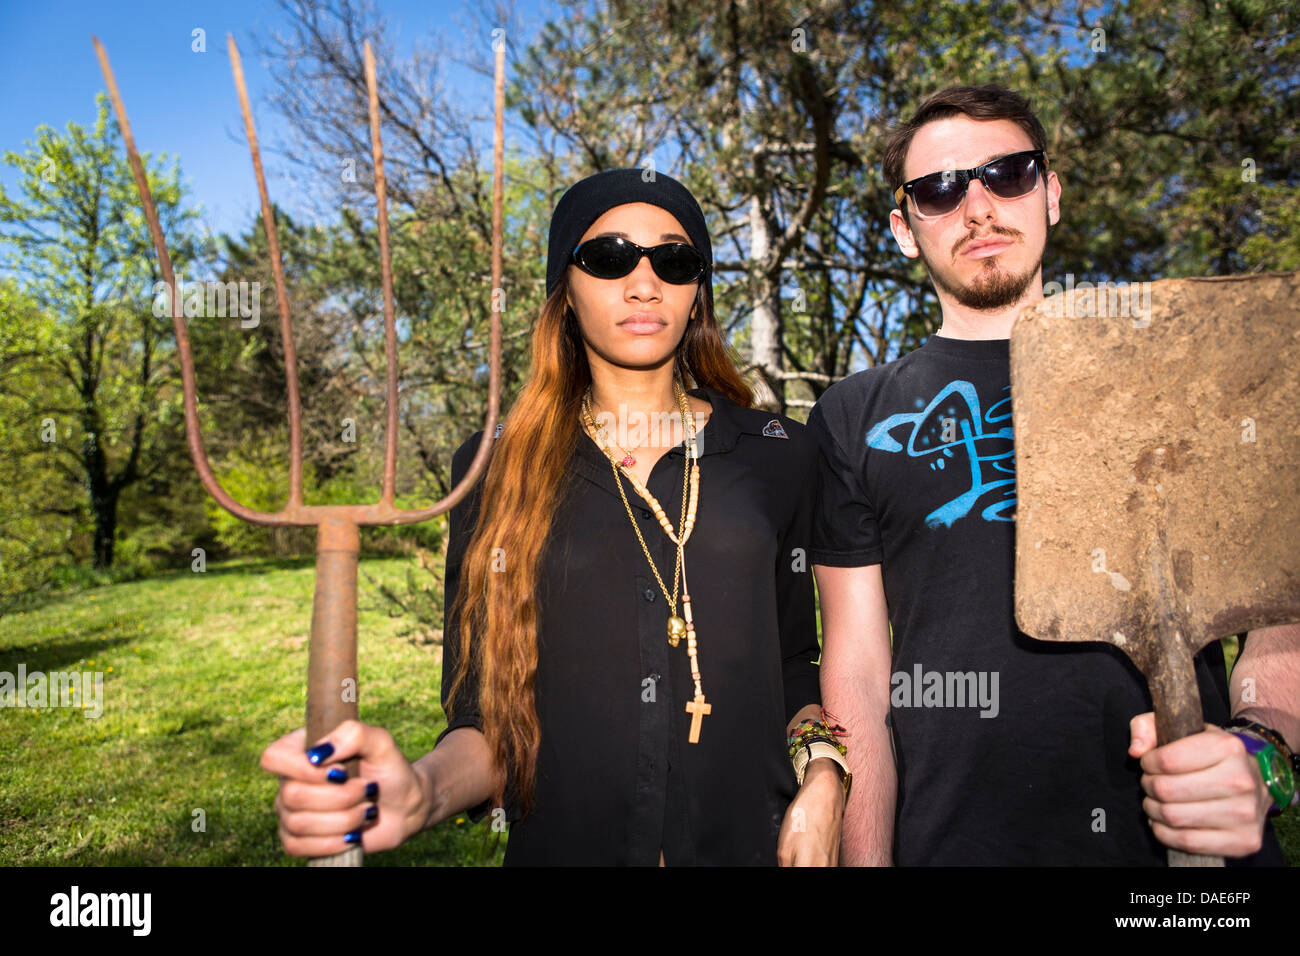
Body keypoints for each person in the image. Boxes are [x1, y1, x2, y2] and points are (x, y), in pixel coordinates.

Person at [261, 168, 849, 865]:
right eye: (608, 257)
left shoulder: (779, 454)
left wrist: (825, 776)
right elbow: (487, 718)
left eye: (674, 259)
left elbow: (794, 666)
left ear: (698, 295)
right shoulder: (495, 469)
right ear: (563, 293)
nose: (643, 282)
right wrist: (420, 791)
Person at [807, 84, 1300, 865]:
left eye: (1008, 173)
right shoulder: (853, 415)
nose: (977, 207)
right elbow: (860, 674)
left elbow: (1283, 595)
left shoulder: (1175, 368)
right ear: (904, 230)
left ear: (1052, 193)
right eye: (939, 189)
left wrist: (1262, 753)